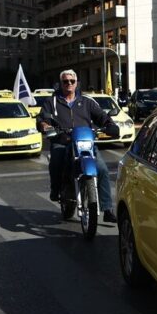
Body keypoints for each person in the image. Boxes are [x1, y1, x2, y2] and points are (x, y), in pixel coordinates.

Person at [38, 69, 120, 223]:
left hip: (85, 143)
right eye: (65, 81)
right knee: (56, 161)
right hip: (63, 141)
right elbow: (42, 118)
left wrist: (110, 125)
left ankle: (107, 209)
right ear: (60, 84)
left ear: (76, 83)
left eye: (72, 81)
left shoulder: (87, 102)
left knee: (101, 169)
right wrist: (45, 125)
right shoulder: (52, 102)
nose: (69, 84)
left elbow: (102, 117)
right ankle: (55, 190)